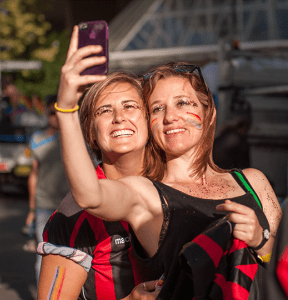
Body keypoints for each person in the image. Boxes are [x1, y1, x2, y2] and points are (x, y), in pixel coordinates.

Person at [51, 25, 282, 299]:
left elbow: (283, 267)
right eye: (157, 108)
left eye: (184, 103)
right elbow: (90, 195)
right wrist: (66, 109)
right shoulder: (144, 193)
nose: (171, 116)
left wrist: (262, 243)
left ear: (209, 115)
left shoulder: (253, 181)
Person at [37, 71, 160, 300]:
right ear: (91, 132)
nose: (119, 117)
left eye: (130, 106)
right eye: (104, 110)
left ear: (148, 119)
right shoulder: (73, 213)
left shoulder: (178, 187)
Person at [25, 95, 70, 284]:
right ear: (46, 113)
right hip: (44, 206)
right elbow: (33, 174)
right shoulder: (37, 139)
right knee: (43, 256)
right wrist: (32, 209)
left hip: (70, 207)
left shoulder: (73, 138)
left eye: (59, 112)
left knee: (70, 255)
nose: (55, 117)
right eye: (52, 112)